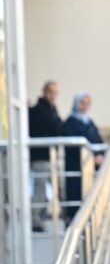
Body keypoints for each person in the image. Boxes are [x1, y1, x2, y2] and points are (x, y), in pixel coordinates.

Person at [62, 91, 105, 220]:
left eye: (88, 103)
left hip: (92, 168)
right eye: (82, 103)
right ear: (76, 103)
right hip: (76, 167)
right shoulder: (70, 122)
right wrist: (91, 156)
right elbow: (72, 145)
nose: (85, 106)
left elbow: (98, 140)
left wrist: (100, 155)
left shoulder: (89, 122)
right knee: (75, 195)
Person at [28, 80, 63, 231]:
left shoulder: (51, 108)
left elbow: (58, 127)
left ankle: (67, 215)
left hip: (50, 156)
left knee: (59, 187)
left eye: (56, 92)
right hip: (40, 157)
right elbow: (55, 126)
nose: (53, 95)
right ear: (44, 92)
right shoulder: (39, 110)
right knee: (41, 189)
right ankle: (35, 220)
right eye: (51, 92)